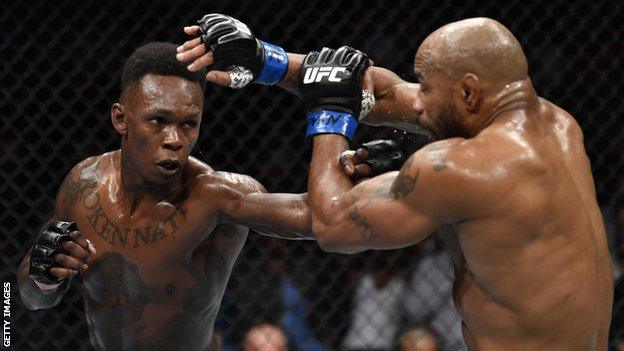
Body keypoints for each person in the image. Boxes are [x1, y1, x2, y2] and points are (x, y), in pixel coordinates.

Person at [178, 15, 614, 350]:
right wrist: (265, 60)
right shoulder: (556, 124)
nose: (417, 103)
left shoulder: (462, 167)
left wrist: (329, 115)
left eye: (425, 87)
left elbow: (333, 225)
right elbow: (385, 95)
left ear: (468, 92)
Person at [17, 42, 315, 351]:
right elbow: (28, 298)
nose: (175, 140)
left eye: (189, 124)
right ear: (121, 119)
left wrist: (329, 121)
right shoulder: (83, 185)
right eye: (158, 121)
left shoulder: (220, 197)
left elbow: (321, 218)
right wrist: (44, 277)